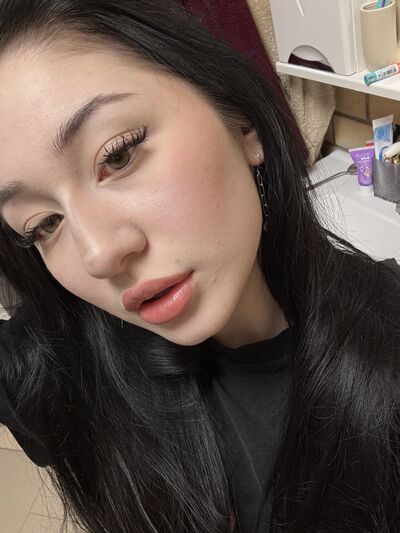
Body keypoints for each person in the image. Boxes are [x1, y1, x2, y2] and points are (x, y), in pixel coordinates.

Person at [0, 1, 399, 532]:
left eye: (118, 155)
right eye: (43, 224)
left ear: (243, 123)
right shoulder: (67, 366)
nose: (98, 255)